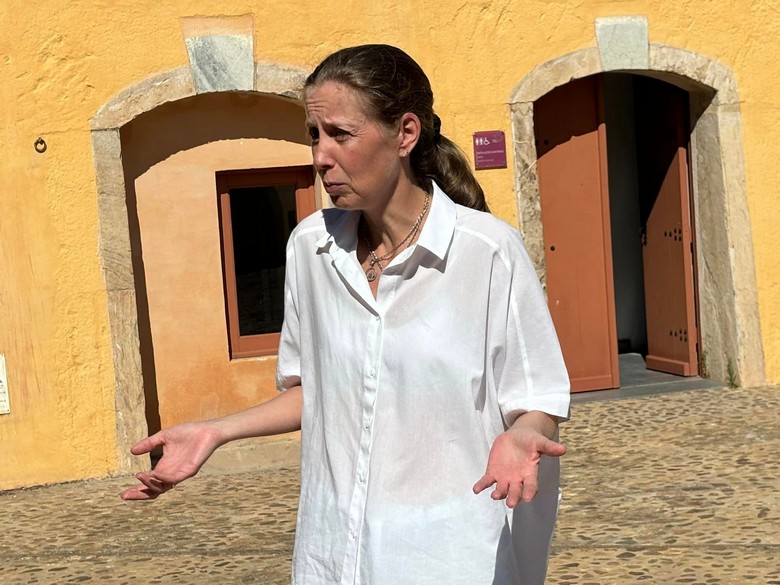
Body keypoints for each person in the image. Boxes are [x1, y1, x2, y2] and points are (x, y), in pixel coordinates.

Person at [122, 44, 571, 585]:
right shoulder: (310, 247)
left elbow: (537, 398)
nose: (320, 156)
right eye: (315, 134)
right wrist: (215, 432)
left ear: (405, 134)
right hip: (335, 553)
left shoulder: (489, 253)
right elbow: (316, 390)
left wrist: (525, 434)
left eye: (340, 134)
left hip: (452, 554)